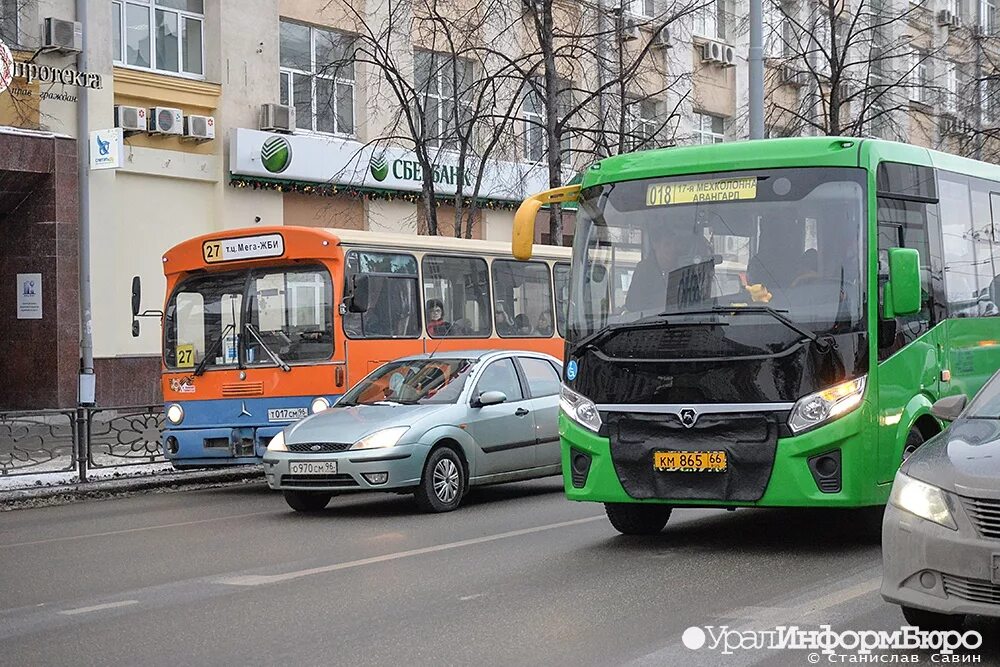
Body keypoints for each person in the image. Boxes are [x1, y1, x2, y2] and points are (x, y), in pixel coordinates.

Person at [625, 223, 714, 313]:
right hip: (650, 324)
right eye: (667, 244)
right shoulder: (644, 270)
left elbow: (696, 301)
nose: (672, 249)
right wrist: (663, 300)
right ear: (656, 245)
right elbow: (632, 304)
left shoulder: (684, 269)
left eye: (675, 245)